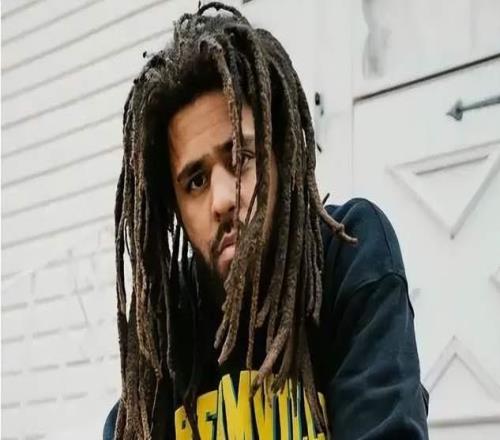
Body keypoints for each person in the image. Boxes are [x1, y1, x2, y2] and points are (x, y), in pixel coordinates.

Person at [104, 2, 429, 439]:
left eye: (241, 157)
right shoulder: (168, 323)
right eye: (196, 181)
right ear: (175, 208)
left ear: (280, 156)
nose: (222, 199)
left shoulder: (350, 253)